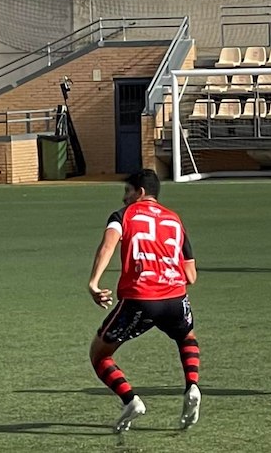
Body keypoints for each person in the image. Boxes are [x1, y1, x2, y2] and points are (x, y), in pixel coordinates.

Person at [86, 169, 200, 433]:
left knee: (99, 355)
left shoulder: (122, 216)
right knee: (187, 337)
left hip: (140, 298)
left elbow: (108, 246)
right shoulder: (175, 219)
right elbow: (191, 276)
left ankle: (131, 400)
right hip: (175, 297)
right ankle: (192, 385)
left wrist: (94, 282)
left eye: (127, 191)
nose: (124, 198)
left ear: (139, 192)